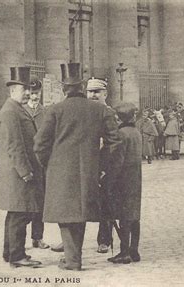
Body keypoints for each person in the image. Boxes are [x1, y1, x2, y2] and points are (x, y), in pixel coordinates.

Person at [34, 63, 120, 271]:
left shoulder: (54, 110)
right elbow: (114, 142)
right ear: (82, 87)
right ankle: (74, 257)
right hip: (88, 170)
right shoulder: (100, 110)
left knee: (65, 214)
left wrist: (49, 164)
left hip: (59, 171)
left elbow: (39, 145)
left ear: (64, 89)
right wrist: (101, 164)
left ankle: (73, 260)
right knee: (79, 212)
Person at [0, 66, 44, 268]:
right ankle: (17, 256)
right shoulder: (11, 112)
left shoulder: (15, 109)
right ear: (13, 89)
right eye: (24, 89)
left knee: (15, 213)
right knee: (21, 213)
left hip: (15, 172)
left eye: (28, 89)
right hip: (18, 173)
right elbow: (14, 145)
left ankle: (10, 252)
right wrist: (25, 172)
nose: (27, 93)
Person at [106, 102, 142, 264]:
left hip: (122, 181)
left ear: (119, 118)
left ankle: (124, 252)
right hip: (135, 179)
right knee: (134, 216)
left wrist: (108, 180)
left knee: (124, 217)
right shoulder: (135, 132)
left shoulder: (121, 134)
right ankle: (134, 251)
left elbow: (117, 162)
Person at [87, 76, 119, 254]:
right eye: (90, 92)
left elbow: (113, 143)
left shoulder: (109, 113)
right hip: (86, 164)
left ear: (105, 93)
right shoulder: (85, 112)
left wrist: (104, 168)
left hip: (103, 167)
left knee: (106, 203)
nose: (92, 95)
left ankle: (104, 240)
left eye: (96, 92)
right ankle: (70, 240)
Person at [22, 78, 50, 250]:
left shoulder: (45, 112)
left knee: (40, 202)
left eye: (37, 93)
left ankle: (37, 237)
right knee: (23, 203)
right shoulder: (20, 111)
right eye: (32, 93)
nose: (35, 97)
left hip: (41, 164)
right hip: (25, 162)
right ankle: (20, 240)